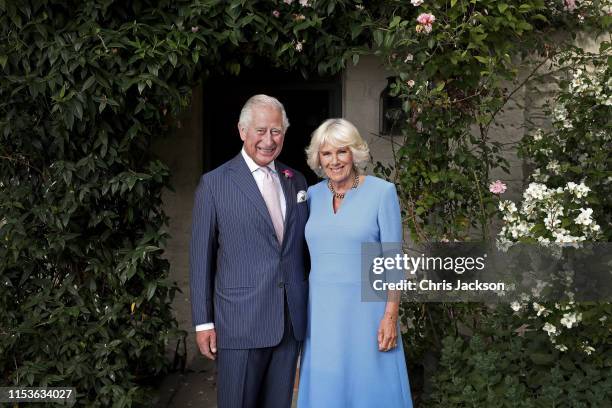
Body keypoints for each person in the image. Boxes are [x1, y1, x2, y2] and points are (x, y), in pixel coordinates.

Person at [189, 94, 309, 407]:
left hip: (289, 323)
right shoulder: (214, 184)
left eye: (276, 131)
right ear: (243, 131)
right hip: (239, 323)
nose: (269, 140)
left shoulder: (297, 182)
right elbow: (201, 259)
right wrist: (204, 323)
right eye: (261, 130)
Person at [297, 118, 413, 407]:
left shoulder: (381, 192)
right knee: (328, 388)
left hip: (367, 308)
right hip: (321, 311)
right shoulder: (311, 195)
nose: (334, 161)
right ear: (318, 158)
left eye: (342, 151)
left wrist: (390, 315)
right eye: (327, 153)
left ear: (354, 154)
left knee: (369, 387)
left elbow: (392, 260)